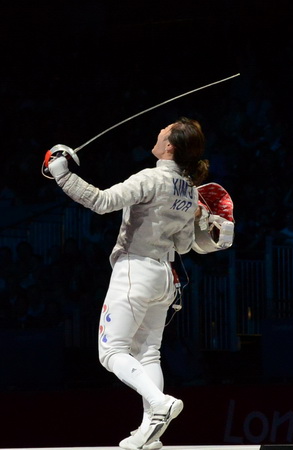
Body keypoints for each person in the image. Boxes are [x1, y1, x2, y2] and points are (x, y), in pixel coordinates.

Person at [47, 117, 209, 449]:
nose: (159, 131)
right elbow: (182, 245)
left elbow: (102, 202)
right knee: (148, 353)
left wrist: (60, 173)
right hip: (165, 275)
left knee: (111, 352)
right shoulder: (189, 190)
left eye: (164, 131)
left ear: (169, 147)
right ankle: (150, 434)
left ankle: (160, 403)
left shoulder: (150, 178)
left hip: (135, 270)